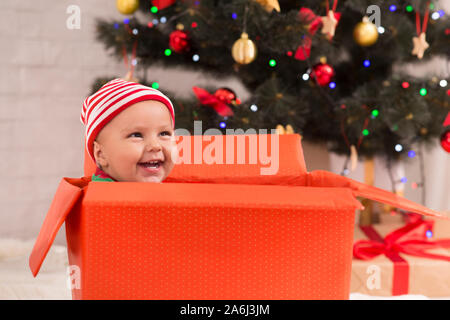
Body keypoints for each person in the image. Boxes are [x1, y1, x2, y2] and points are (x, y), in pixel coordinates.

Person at [80, 78, 177, 183]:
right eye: (136, 135)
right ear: (101, 154)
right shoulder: (102, 197)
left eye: (164, 133)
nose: (155, 146)